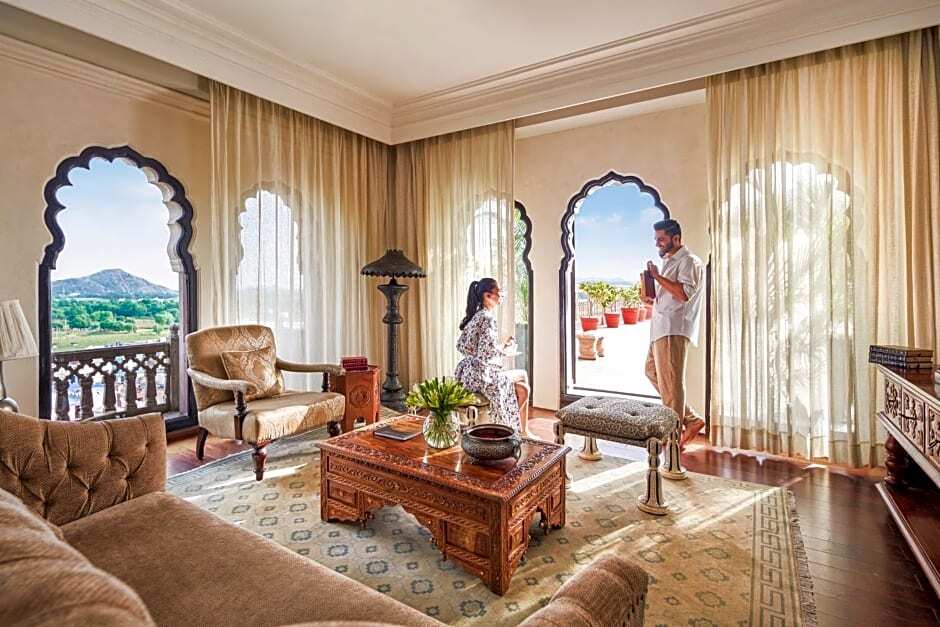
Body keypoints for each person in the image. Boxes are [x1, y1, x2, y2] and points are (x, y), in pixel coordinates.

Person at [642, 219, 706, 448]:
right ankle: (691, 419)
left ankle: (672, 439)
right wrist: (652, 299)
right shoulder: (671, 262)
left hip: (673, 329)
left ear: (676, 238)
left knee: (672, 384)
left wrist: (657, 277)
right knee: (652, 372)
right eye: (656, 239)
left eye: (661, 239)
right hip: (661, 329)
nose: (657, 243)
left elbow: (684, 294)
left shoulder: (689, 261)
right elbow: (670, 296)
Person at [455, 278, 530, 433]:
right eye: (499, 292)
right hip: (482, 376)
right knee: (523, 374)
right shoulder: (488, 318)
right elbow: (487, 353)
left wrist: (501, 346)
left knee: (523, 389)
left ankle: (521, 429)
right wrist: (505, 350)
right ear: (487, 296)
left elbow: (462, 346)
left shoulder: (476, 316)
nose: (501, 296)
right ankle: (517, 429)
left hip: (468, 375)